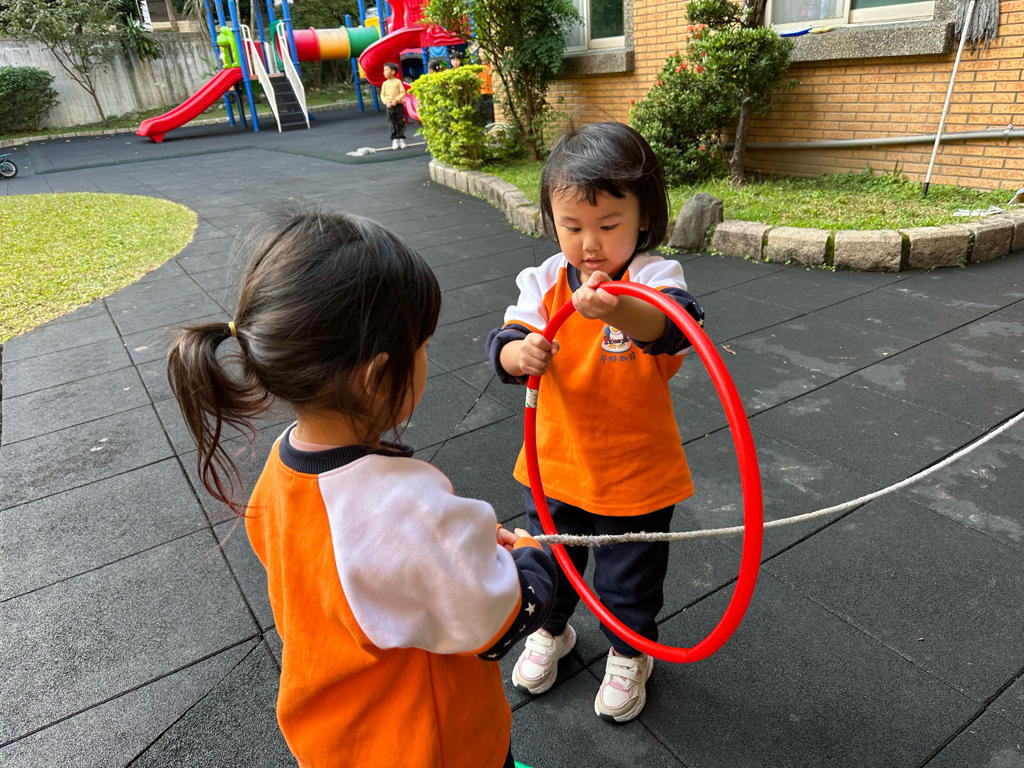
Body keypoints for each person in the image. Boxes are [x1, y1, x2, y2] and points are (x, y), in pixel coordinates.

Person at [167, 209, 558, 768]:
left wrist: (450, 555)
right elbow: (493, 621)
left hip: (337, 736)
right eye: (422, 346)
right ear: (376, 377)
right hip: (430, 746)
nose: (426, 359)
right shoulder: (403, 507)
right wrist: (529, 561)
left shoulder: (282, 464)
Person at [485, 121, 705, 724]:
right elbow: (505, 343)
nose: (589, 244)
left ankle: (630, 651)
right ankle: (550, 630)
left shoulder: (653, 279)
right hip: (554, 465)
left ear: (643, 217)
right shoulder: (543, 281)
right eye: (572, 226)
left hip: (635, 473)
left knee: (629, 578)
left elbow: (674, 328)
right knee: (550, 562)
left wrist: (618, 310)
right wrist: (520, 354)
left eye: (608, 226)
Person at [380, 62, 407, 149]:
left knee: (400, 122)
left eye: (386, 70)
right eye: (384, 70)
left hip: (398, 105)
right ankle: (394, 139)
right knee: (392, 123)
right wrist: (386, 102)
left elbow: (403, 92)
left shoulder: (398, 82)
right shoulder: (384, 84)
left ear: (393, 72)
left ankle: (401, 138)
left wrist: (397, 100)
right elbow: (382, 95)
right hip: (389, 106)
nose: (384, 72)